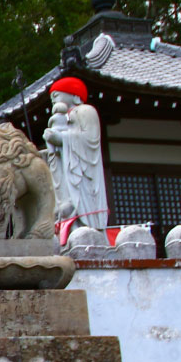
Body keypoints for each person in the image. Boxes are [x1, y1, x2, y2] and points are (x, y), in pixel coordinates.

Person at [41, 76, 109, 240]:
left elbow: (90, 140)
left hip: (82, 173)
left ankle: (87, 232)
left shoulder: (85, 111)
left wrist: (62, 138)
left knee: (80, 212)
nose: (53, 99)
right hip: (66, 173)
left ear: (74, 95)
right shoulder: (62, 118)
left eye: (56, 95)